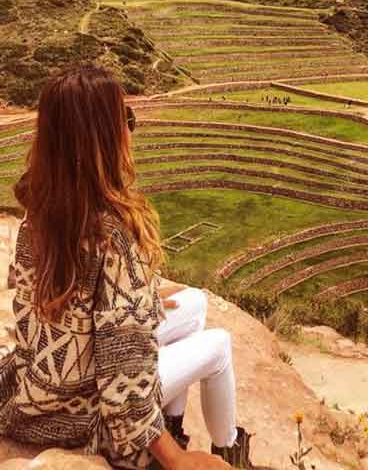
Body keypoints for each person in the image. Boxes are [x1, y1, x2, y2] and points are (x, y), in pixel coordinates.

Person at [0, 65, 252, 470]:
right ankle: (228, 452)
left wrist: (143, 297)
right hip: (86, 410)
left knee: (194, 304)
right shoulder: (112, 234)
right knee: (219, 345)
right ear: (105, 137)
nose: (131, 132)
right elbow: (124, 368)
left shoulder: (38, 211)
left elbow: (65, 309)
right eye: (126, 120)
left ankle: (173, 422)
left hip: (40, 385)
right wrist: (172, 459)